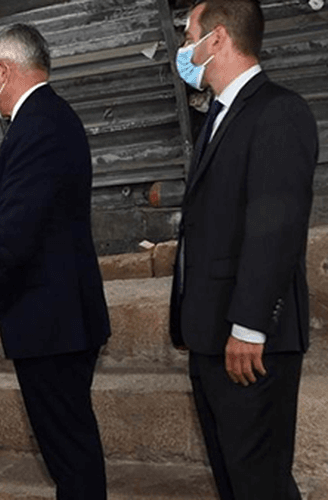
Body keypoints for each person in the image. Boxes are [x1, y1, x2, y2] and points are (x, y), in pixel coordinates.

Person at [169, 1, 318, 499]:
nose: (183, 49)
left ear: (216, 40)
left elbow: (274, 227)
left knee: (261, 481)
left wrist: (249, 327)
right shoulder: (219, 114)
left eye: (189, 36)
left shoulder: (278, 110)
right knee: (233, 476)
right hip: (212, 334)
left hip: (249, 341)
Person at [0, 24, 111, 500]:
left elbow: (19, 227)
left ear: (5, 72)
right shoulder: (48, 119)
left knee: (69, 451)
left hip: (52, 320)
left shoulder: (40, 124)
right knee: (67, 445)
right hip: (56, 317)